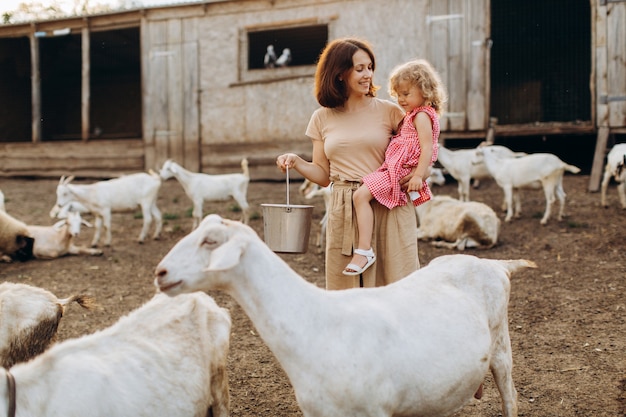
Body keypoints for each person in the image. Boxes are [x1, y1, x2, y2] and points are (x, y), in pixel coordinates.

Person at [276, 37, 419, 290]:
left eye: (370, 67)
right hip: (344, 206)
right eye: (360, 68)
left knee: (396, 288)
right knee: (346, 294)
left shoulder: (390, 111)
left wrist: (420, 172)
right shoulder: (321, 118)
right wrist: (297, 162)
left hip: (387, 204)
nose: (368, 75)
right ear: (340, 73)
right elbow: (322, 175)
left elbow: (417, 147)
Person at [343, 59, 445, 275]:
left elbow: (428, 147)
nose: (401, 99)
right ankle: (365, 248)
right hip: (396, 167)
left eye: (406, 94)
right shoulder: (414, 115)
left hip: (400, 170)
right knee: (362, 195)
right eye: (398, 94)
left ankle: (364, 250)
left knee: (360, 197)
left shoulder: (422, 115)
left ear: (425, 91)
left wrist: (418, 175)